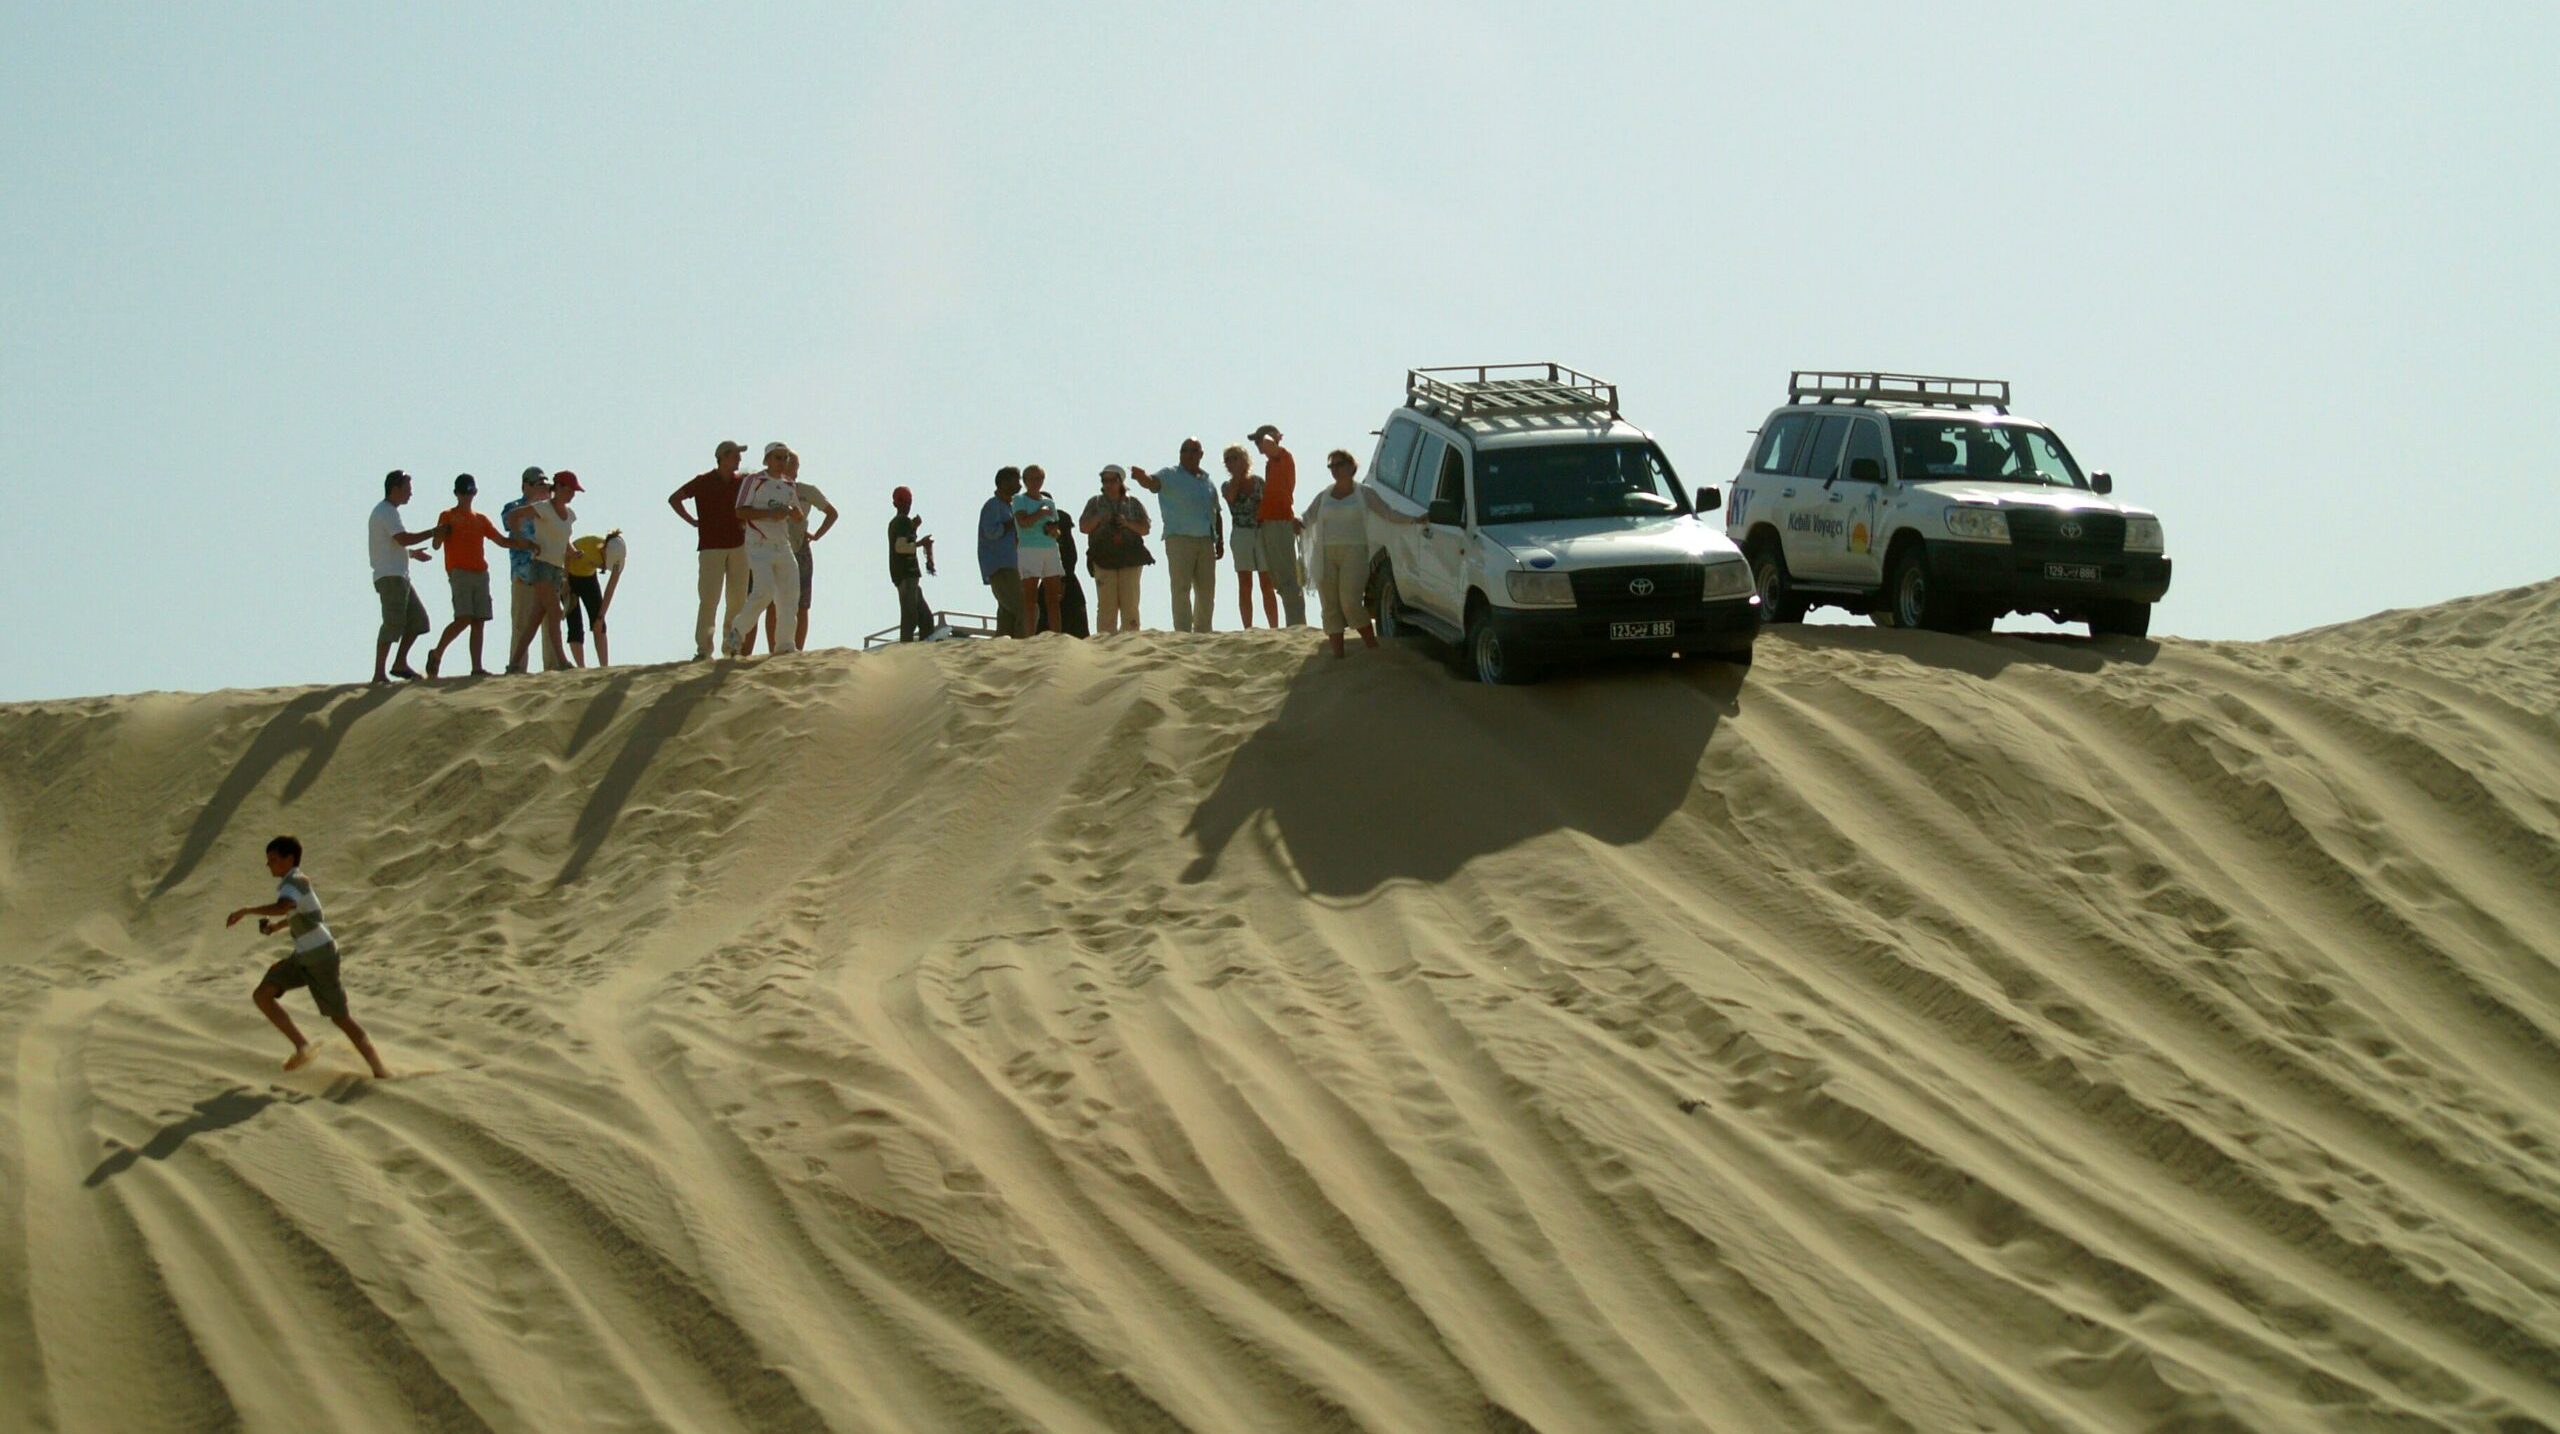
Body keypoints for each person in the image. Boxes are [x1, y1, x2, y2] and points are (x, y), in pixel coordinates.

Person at [226, 835, 391, 1079]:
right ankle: (302, 1046)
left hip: (321, 957)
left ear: (289, 859)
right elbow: (296, 913)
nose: (268, 865)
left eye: (273, 859)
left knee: (340, 1018)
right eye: (268, 860)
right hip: (304, 956)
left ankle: (381, 1072)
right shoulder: (293, 884)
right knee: (262, 995)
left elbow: (284, 907)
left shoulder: (294, 881)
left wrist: (246, 910)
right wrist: (274, 928)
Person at [1301, 449, 1423, 657]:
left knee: (1349, 600)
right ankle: (1338, 656)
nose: (1335, 470)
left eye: (1339, 465)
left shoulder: (1364, 493)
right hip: (1326, 554)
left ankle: (1372, 648)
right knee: (1330, 604)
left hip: (1355, 551)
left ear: (1351, 466)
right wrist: (1297, 523)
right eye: (1332, 466)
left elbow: (1387, 513)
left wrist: (1414, 519)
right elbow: (1307, 518)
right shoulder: (1325, 495)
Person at [425, 473, 528, 679]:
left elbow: (499, 540)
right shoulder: (448, 515)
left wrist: (523, 544)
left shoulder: (480, 519)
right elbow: (437, 545)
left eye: (470, 491)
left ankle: (477, 667)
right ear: (456, 493)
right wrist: (440, 533)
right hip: (459, 572)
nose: (467, 496)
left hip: (480, 572)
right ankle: (437, 653)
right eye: (463, 492)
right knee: (463, 618)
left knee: (479, 620)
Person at [668, 440, 751, 660]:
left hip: (738, 546)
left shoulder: (742, 482)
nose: (739, 459)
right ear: (723, 457)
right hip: (711, 548)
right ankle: (704, 650)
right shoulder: (703, 481)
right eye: (735, 455)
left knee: (737, 600)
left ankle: (731, 647)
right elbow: (674, 498)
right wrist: (692, 521)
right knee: (709, 600)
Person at [1132, 438, 1223, 632]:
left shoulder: (1207, 481)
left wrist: (1219, 539)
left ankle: (1203, 631)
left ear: (1201, 454)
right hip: (1179, 539)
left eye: (1194, 450)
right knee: (1181, 588)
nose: (1189, 454)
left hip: (1206, 540)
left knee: (1206, 590)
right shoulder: (1170, 474)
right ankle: (1182, 632)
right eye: (1185, 450)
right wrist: (1142, 478)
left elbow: (1217, 511)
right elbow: (1152, 484)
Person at [726, 442, 803, 656]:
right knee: (764, 591)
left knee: (790, 593)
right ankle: (737, 631)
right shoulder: (754, 481)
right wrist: (770, 514)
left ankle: (785, 644)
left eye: (784, 458)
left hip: (782, 544)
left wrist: (793, 513)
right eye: (777, 457)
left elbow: (797, 514)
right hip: (759, 545)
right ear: (767, 459)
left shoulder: (789, 485)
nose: (781, 462)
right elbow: (740, 511)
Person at [368, 470, 437, 684]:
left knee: (419, 621)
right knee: (392, 623)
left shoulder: (389, 512)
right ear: (395, 489)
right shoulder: (385, 511)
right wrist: (434, 532)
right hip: (390, 577)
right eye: (407, 489)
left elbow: (392, 545)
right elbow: (403, 538)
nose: (410, 494)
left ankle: (399, 663)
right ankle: (379, 673)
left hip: (399, 576)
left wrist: (411, 554)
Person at [769, 449, 837, 652]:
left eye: (792, 463)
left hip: (800, 549)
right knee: (773, 601)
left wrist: (816, 535)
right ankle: (775, 648)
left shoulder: (807, 491)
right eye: (785, 461)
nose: (788, 467)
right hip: (776, 547)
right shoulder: (769, 489)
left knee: (802, 603)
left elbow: (832, 513)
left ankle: (797, 649)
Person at [510, 470, 577, 674]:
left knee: (535, 619)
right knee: (555, 612)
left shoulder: (570, 514)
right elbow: (515, 516)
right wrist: (522, 539)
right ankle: (562, 660)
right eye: (569, 489)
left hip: (557, 570)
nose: (572, 494)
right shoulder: (543, 508)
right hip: (541, 567)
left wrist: (574, 553)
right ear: (559, 488)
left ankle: (513, 663)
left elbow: (563, 540)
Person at [1081, 465, 1155, 635]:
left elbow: (1145, 528)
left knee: (1130, 604)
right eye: (1104, 480)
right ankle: (1105, 646)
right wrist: (1100, 518)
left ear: (1121, 481)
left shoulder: (1133, 503)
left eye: (1112, 480)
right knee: (1106, 606)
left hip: (1130, 557)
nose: (1108, 484)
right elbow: (1084, 527)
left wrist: (1127, 523)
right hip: (1103, 557)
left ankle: (1130, 644)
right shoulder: (1095, 503)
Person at [1250, 424, 1307, 626]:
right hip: (1271, 522)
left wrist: (1269, 436)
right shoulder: (1272, 463)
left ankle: (1297, 625)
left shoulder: (1283, 456)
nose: (1258, 444)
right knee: (1281, 580)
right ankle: (1294, 623)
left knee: (1288, 579)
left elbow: (1267, 443)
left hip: (1280, 521)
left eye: (1259, 439)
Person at [1222, 443, 1277, 628]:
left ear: (1244, 460)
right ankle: (1248, 627)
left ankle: (1274, 626)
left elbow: (1269, 503)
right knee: (1245, 583)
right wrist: (1237, 476)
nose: (1231, 462)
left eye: (1235, 458)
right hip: (1241, 533)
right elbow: (1230, 498)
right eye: (1227, 460)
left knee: (1266, 582)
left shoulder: (1258, 482)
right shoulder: (1226, 485)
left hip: (1261, 532)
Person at [563, 517, 626, 669]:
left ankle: (604, 667)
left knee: (599, 624)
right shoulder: (589, 545)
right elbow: (566, 554)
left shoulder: (619, 561)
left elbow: (610, 588)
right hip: (568, 577)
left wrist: (600, 616)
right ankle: (581, 667)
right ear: (603, 550)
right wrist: (564, 582)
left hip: (588, 579)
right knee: (575, 624)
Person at [1014, 464, 1066, 635]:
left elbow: (1056, 529)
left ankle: (1056, 635)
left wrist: (1053, 531)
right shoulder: (1020, 499)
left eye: (1040, 478)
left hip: (1049, 548)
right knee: (1030, 597)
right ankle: (1030, 635)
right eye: (1033, 479)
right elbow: (1023, 522)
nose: (1037, 482)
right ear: (1025, 481)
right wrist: (1040, 513)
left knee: (1053, 596)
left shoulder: (1049, 502)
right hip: (1029, 549)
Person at [979, 467, 1027, 638]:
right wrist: (1011, 523)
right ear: (1003, 483)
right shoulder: (993, 506)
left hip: (1013, 565)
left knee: (1007, 614)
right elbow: (991, 532)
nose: (1019, 484)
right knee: (1026, 608)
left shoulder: (1010, 506)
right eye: (1015, 480)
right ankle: (1024, 647)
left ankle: (1003, 652)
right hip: (1001, 566)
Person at [888, 486, 938, 641]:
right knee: (911, 616)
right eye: (904, 501)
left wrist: (914, 529)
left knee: (925, 618)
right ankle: (906, 653)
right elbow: (901, 547)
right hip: (906, 574)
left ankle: (921, 651)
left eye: (908, 501)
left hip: (905, 575)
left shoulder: (899, 523)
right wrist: (921, 543)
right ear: (897, 503)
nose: (907, 505)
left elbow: (904, 542)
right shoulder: (902, 521)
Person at [1034, 509, 1090, 637]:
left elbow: (1069, 556)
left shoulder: (1059, 522)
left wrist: (1063, 580)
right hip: (1052, 581)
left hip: (1065, 582)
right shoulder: (1036, 527)